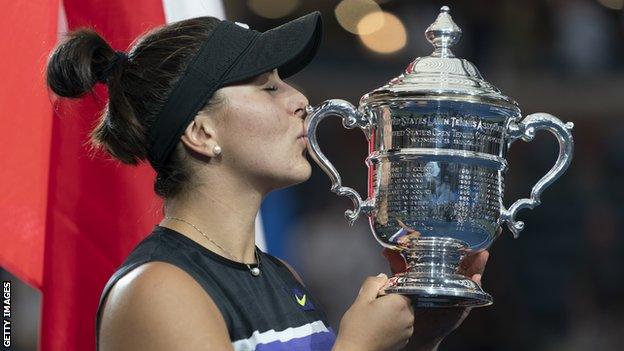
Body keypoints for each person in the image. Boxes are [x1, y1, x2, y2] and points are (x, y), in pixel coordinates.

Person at [45, 11, 489, 351]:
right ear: (201, 133)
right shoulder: (157, 292)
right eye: (267, 87)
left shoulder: (279, 274)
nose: (300, 100)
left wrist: (422, 334)